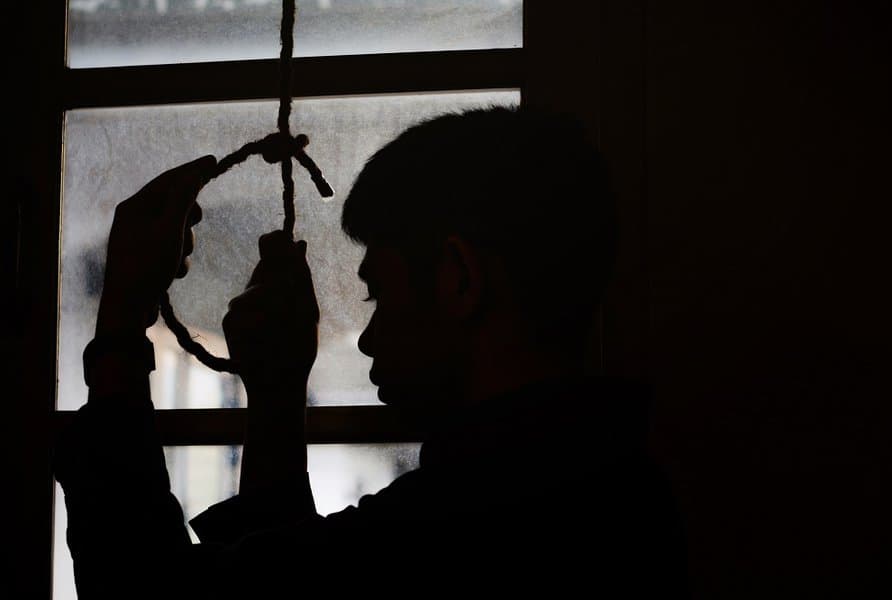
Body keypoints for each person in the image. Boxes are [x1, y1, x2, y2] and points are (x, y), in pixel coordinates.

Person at [54, 106, 689, 598]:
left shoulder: (456, 526)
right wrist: (276, 397)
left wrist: (121, 322)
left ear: (459, 279)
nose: (367, 339)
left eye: (379, 293)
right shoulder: (621, 498)